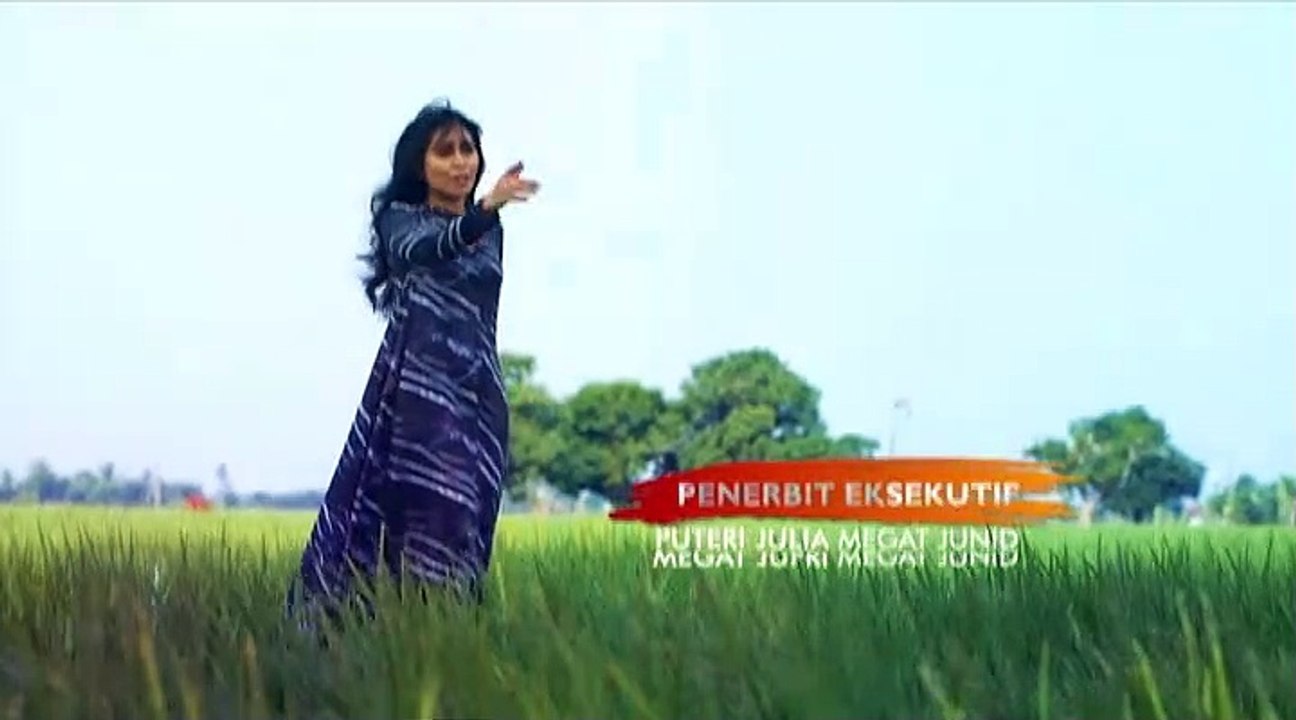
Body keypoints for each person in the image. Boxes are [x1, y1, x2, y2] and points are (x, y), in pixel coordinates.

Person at [287, 99, 539, 623]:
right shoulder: (400, 221)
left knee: (468, 520)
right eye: (444, 151)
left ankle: (448, 635)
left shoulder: (491, 229)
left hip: (478, 397)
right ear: (419, 166)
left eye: (467, 149)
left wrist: (484, 215)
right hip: (418, 396)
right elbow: (429, 249)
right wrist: (484, 210)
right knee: (420, 513)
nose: (460, 161)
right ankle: (385, 630)